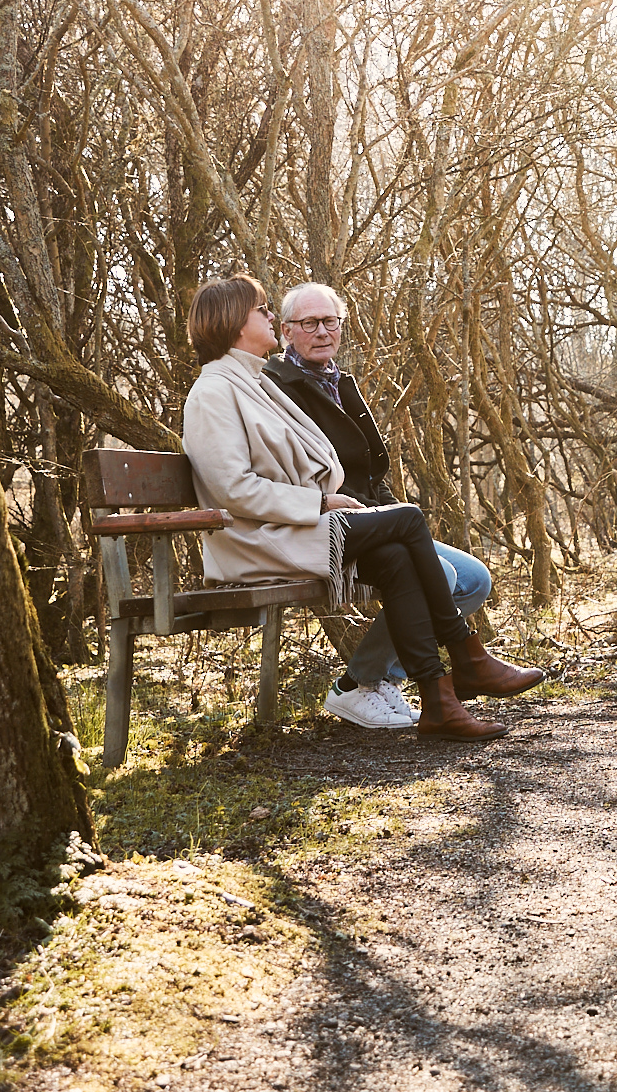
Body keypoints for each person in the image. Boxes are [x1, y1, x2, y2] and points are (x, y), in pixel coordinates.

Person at [178, 274, 519, 742]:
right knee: (408, 518)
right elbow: (233, 489)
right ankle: (466, 658)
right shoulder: (214, 392)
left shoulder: (252, 382)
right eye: (262, 310)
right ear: (235, 323)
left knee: (399, 554)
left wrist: (327, 500)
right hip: (260, 538)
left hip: (298, 523)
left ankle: (440, 704)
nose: (269, 317)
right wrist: (319, 501)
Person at [265, 281, 546, 729]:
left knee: (473, 579)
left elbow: (373, 471)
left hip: (375, 517)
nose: (322, 332)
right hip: (330, 523)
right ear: (285, 331)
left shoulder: (338, 381)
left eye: (330, 321)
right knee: (446, 575)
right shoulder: (280, 386)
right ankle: (362, 685)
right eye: (309, 323)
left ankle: (375, 681)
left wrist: (393, 514)